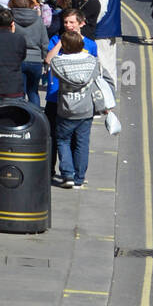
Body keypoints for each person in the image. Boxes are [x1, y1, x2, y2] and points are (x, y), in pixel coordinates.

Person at [49, 32, 100, 189]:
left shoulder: (58, 62)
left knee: (63, 141)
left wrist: (59, 45)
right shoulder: (92, 61)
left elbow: (50, 64)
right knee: (82, 144)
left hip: (66, 109)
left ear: (64, 46)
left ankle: (67, 175)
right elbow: (97, 76)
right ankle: (79, 178)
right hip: (86, 109)